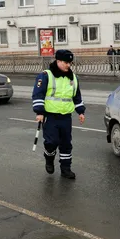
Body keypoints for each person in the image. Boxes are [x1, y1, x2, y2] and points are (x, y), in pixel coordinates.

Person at [31, 50, 86, 179]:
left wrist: (81, 111)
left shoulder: (74, 78)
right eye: (66, 62)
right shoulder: (46, 75)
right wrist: (39, 112)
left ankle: (66, 169)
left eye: (70, 63)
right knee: (52, 142)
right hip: (50, 116)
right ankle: (49, 158)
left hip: (66, 117)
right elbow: (38, 94)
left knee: (66, 144)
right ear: (58, 61)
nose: (69, 65)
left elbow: (76, 97)